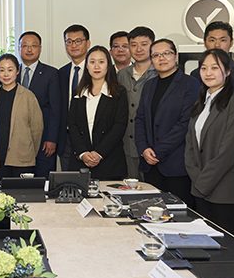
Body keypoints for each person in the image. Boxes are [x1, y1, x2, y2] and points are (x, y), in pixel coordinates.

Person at [184, 49, 234, 237]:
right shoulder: (200, 103)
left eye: (214, 67)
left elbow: (229, 151)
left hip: (227, 191)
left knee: (227, 246)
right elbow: (190, 146)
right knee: (204, 243)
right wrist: (198, 181)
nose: (208, 73)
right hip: (201, 190)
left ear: (227, 71)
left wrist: (202, 183)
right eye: (203, 68)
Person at [135, 38, 200, 208]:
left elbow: (185, 122)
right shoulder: (149, 85)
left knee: (179, 214)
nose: (161, 58)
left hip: (176, 165)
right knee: (151, 212)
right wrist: (143, 148)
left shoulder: (190, 84)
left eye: (166, 53)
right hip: (150, 164)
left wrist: (158, 151)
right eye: (156, 55)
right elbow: (140, 118)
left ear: (176, 56)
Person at [68, 46, 128, 179]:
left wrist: (99, 153)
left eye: (101, 62)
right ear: (87, 65)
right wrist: (83, 153)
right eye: (92, 62)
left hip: (110, 160)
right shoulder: (78, 92)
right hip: (81, 161)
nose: (96, 66)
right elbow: (72, 125)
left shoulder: (119, 92)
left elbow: (119, 126)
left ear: (108, 65)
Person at [0, 54, 44, 181]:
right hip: (0, 157)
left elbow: (37, 130)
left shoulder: (28, 97)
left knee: (22, 192)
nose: (6, 74)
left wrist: (29, 151)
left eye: (10, 69)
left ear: (17, 71)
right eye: (2, 70)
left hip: (23, 158)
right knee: (3, 192)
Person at [17, 31, 60, 178]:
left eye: (33, 46)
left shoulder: (51, 74)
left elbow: (55, 109)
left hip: (44, 140)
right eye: (25, 46)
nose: (29, 49)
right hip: (18, 140)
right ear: (19, 48)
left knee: (43, 180)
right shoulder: (11, 72)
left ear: (40, 49)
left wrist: (52, 138)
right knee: (20, 182)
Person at [117, 26, 158, 178]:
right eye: (133, 45)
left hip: (151, 146)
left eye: (144, 44)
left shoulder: (159, 73)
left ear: (152, 45)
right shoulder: (121, 75)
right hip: (125, 145)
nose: (139, 49)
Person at [189, 21, 234, 106]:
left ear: (231, 42)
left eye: (223, 40)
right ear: (205, 43)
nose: (217, 45)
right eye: (212, 40)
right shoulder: (195, 74)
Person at [58, 24, 90, 172]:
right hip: (66, 138)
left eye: (78, 41)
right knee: (68, 179)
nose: (73, 45)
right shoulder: (61, 73)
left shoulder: (96, 71)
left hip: (89, 136)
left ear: (88, 43)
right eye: (69, 41)